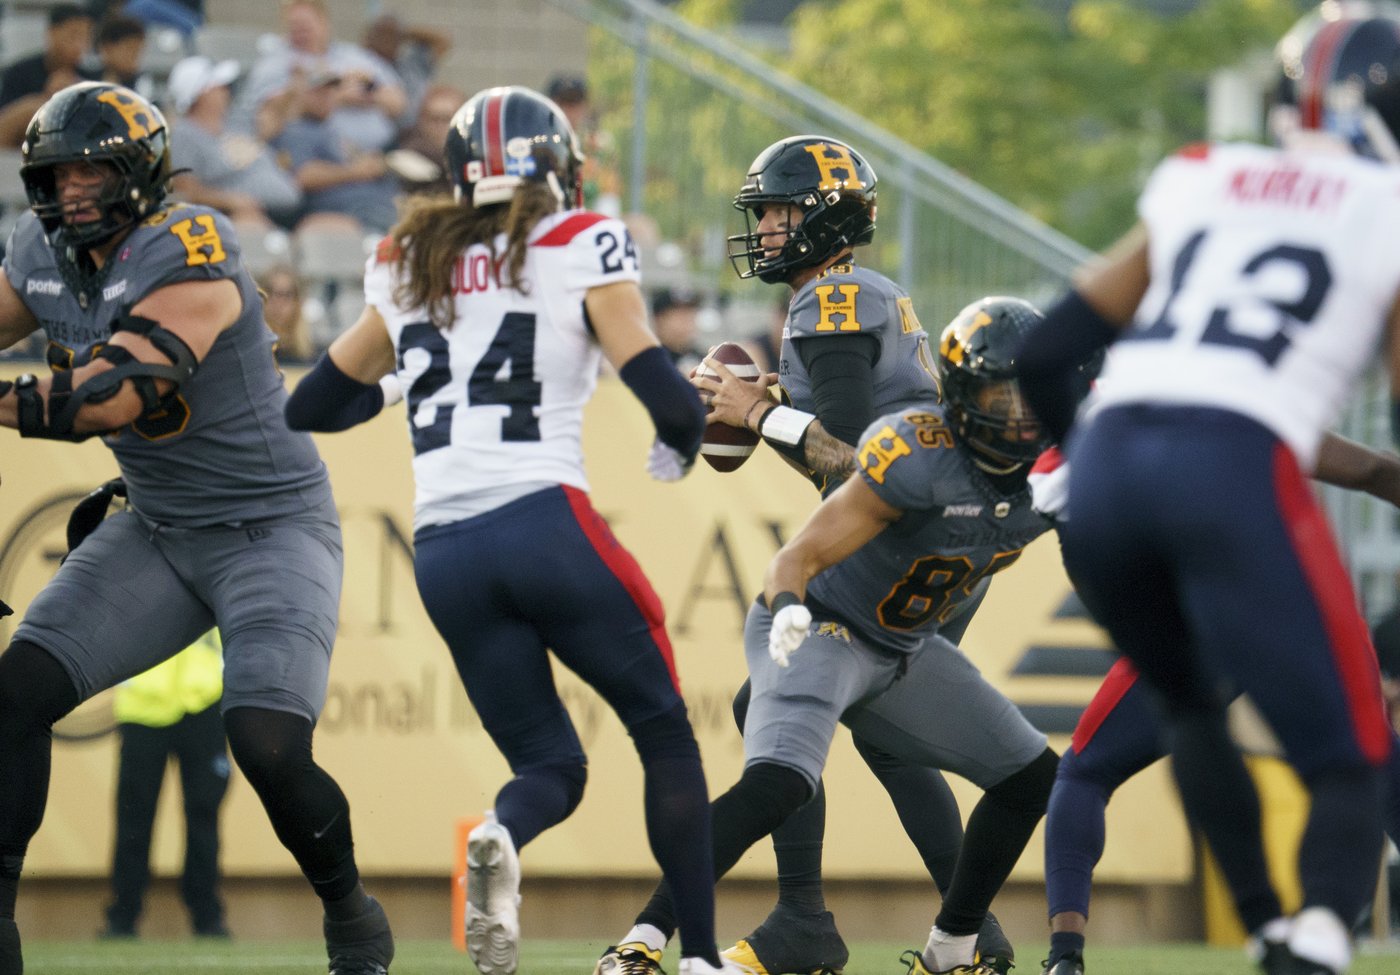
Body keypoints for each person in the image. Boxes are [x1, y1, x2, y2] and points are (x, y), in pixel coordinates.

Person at [283, 84, 732, 975]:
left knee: (548, 766)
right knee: (663, 730)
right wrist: (681, 441)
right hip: (543, 520)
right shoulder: (577, 242)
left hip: (445, 550)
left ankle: (500, 829)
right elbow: (670, 396)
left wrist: (406, 380)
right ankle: (702, 958)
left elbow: (312, 406)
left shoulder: (408, 260)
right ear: (557, 169)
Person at [1015, 4, 1400, 973]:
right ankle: (1318, 934)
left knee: (1187, 707)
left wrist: (1093, 467)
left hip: (1104, 470)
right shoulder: (1385, 205)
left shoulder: (1205, 174)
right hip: (1233, 472)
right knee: (1352, 750)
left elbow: (1047, 352)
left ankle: (1266, 924)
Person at [0, 81, 394, 975]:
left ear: (139, 174)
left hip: (269, 528)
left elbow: (113, 397)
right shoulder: (38, 252)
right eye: (58, 176)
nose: (72, 193)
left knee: (264, 740)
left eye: (92, 173)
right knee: (13, 696)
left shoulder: (190, 247)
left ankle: (352, 914)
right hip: (159, 528)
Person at [595, 298, 1061, 975]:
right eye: (1002, 395)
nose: (1021, 415)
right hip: (824, 621)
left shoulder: (1061, 469)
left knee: (1033, 780)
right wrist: (788, 607)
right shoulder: (917, 453)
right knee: (780, 782)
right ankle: (639, 942)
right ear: (965, 395)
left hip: (904, 648)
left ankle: (953, 946)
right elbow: (798, 558)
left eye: (1033, 396)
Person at [677, 135, 1014, 975]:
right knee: (885, 736)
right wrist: (770, 409)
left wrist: (760, 414)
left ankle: (806, 921)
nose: (766, 228)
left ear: (827, 217)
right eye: (763, 213)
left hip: (912, 539)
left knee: (774, 702)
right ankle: (970, 940)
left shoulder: (830, 299)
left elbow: (860, 458)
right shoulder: (855, 296)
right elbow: (850, 455)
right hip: (937, 534)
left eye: (780, 211)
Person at [1029, 436, 1400, 975]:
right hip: (1300, 604)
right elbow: (1368, 469)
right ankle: (1313, 935)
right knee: (1372, 760)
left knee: (1085, 771)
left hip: (1203, 622)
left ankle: (1066, 958)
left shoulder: (1085, 453)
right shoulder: (1238, 413)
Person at [101, 630, 231, 940]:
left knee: (204, 812)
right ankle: (123, 916)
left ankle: (207, 917)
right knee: (134, 815)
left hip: (205, 700)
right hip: (143, 705)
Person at [236, 0, 406, 153]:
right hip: (319, 158)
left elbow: (399, 103)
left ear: (324, 23)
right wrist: (338, 96)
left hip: (383, 150)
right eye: (295, 26)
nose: (301, 32)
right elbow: (264, 116)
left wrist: (368, 92)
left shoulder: (355, 56)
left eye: (306, 25)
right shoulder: (276, 64)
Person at [167, 55, 303, 230]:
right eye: (219, 86)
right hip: (234, 217)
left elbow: (278, 118)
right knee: (251, 226)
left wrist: (295, 85)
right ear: (200, 94)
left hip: (291, 212)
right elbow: (186, 191)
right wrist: (230, 201)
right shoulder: (185, 134)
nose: (226, 91)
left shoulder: (235, 122)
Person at [270, 69, 398, 234]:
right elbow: (303, 176)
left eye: (331, 91)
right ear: (300, 95)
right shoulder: (295, 131)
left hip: (377, 207)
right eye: (318, 92)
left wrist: (371, 164)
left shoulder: (329, 129)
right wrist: (355, 172)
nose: (327, 97)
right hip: (345, 215)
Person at [0, 4, 96, 147]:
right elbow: (5, 121)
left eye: (86, 37)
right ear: (52, 33)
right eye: (73, 35)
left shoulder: (91, 77)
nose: (80, 44)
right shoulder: (20, 72)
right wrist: (46, 97)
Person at [258, 265, 316, 362]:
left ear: (298, 303)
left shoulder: (311, 359)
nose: (277, 302)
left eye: (286, 295)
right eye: (270, 292)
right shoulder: (246, 354)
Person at [652, 287, 705, 373]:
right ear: (659, 320)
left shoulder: (704, 360)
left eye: (691, 314)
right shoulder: (647, 360)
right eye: (680, 316)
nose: (687, 322)